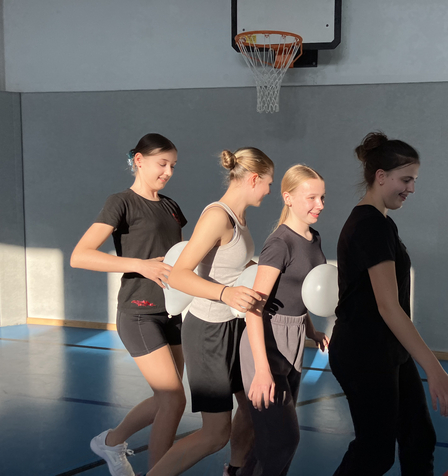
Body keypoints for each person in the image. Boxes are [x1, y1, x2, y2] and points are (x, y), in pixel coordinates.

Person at [329, 132, 448, 476]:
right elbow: (388, 306)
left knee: (419, 438)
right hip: (363, 353)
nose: (411, 188)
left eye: (414, 181)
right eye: (406, 180)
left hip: (388, 350)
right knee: (375, 452)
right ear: (381, 176)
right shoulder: (370, 225)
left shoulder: (382, 223)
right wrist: (434, 368)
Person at [149, 148, 274, 476]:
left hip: (233, 327)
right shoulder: (217, 216)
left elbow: (231, 267)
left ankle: (235, 470)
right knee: (215, 433)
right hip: (207, 333)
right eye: (269, 183)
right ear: (254, 179)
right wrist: (225, 293)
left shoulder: (239, 218)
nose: (269, 191)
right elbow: (179, 275)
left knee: (252, 407)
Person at [70, 133, 187, 476]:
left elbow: (177, 258)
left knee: (168, 400)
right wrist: (140, 265)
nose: (168, 172)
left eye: (173, 166)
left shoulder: (171, 206)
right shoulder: (121, 202)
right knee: (173, 399)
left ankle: (110, 442)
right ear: (139, 160)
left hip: (172, 312)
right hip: (139, 313)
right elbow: (80, 255)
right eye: (162, 164)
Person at [240, 165, 330, 476]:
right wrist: (262, 369)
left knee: (269, 443)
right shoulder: (280, 243)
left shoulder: (314, 238)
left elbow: (300, 293)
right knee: (284, 440)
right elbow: (254, 309)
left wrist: (311, 331)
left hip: (295, 340)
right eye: (311, 197)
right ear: (288, 198)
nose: (320, 204)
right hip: (266, 343)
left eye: (322, 197)